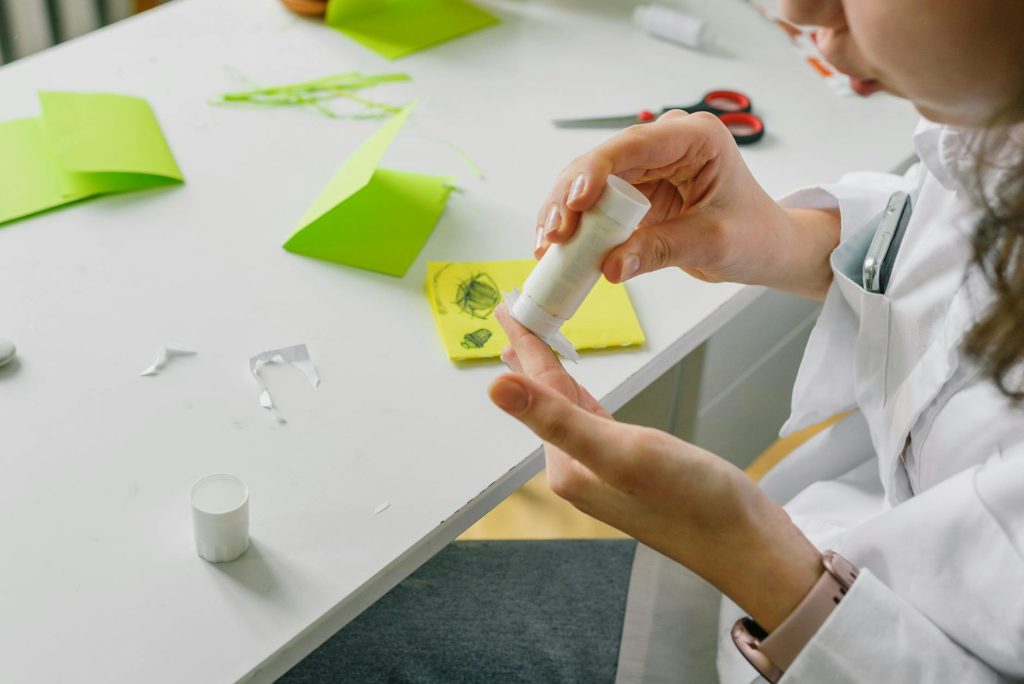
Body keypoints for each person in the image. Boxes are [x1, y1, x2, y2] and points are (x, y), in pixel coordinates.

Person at [485, 0, 1024, 681]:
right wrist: (784, 239)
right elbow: (951, 254)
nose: (797, 10)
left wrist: (748, 555)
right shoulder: (995, 119)